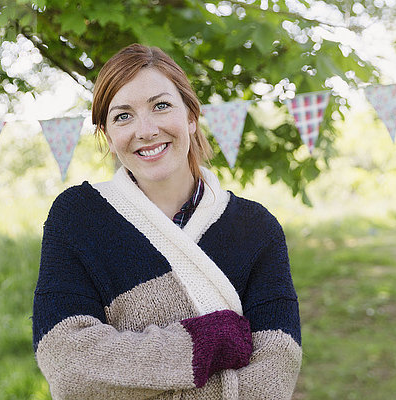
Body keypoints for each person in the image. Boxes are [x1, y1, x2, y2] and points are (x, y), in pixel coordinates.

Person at [32, 43, 302, 400]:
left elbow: (274, 377)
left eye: (161, 106)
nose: (145, 130)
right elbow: (67, 365)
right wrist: (203, 344)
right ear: (108, 137)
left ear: (191, 117)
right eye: (123, 116)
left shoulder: (257, 228)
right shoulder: (78, 217)